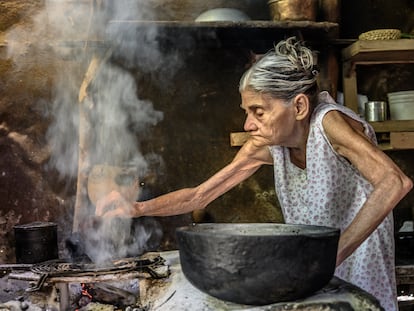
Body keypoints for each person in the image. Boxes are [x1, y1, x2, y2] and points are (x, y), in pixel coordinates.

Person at [95, 37, 412, 311]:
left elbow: (394, 181)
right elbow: (199, 195)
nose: (248, 124)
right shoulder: (268, 144)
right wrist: (136, 208)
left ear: (299, 107)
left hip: (359, 257)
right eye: (247, 112)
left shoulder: (330, 125)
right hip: (312, 268)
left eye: (258, 112)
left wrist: (334, 254)